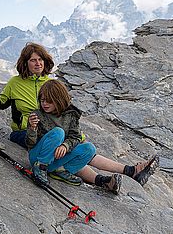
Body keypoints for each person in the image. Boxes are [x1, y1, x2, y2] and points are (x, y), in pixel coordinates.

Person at [28, 79, 159, 194]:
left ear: (58, 100)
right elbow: (30, 144)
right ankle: (40, 168)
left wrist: (65, 145)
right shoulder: (38, 115)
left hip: (55, 161)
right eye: (42, 100)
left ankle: (60, 171)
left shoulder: (70, 114)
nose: (44, 103)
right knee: (58, 132)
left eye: (49, 101)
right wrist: (32, 128)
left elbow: (75, 136)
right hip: (39, 157)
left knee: (89, 148)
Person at [0, 42, 53, 147]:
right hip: (22, 132)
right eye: (33, 60)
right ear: (25, 63)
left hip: (46, 130)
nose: (38, 63)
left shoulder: (50, 84)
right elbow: (1, 103)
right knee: (46, 139)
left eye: (40, 59)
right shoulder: (15, 82)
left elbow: (62, 110)